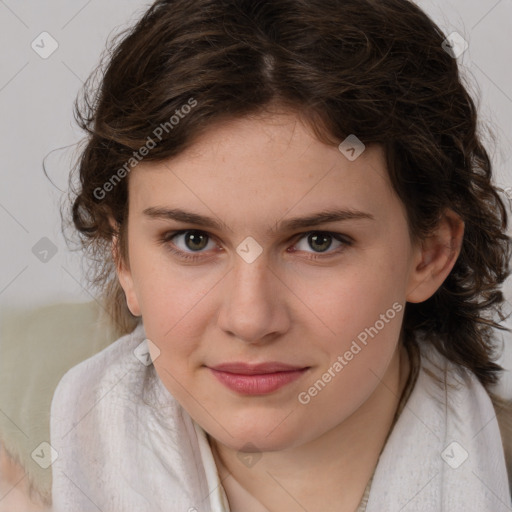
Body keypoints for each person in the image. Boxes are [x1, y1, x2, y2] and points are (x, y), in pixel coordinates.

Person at [49, 0, 512, 510]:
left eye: (319, 241)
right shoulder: (38, 470)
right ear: (125, 262)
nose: (250, 320)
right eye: (193, 240)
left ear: (429, 254)